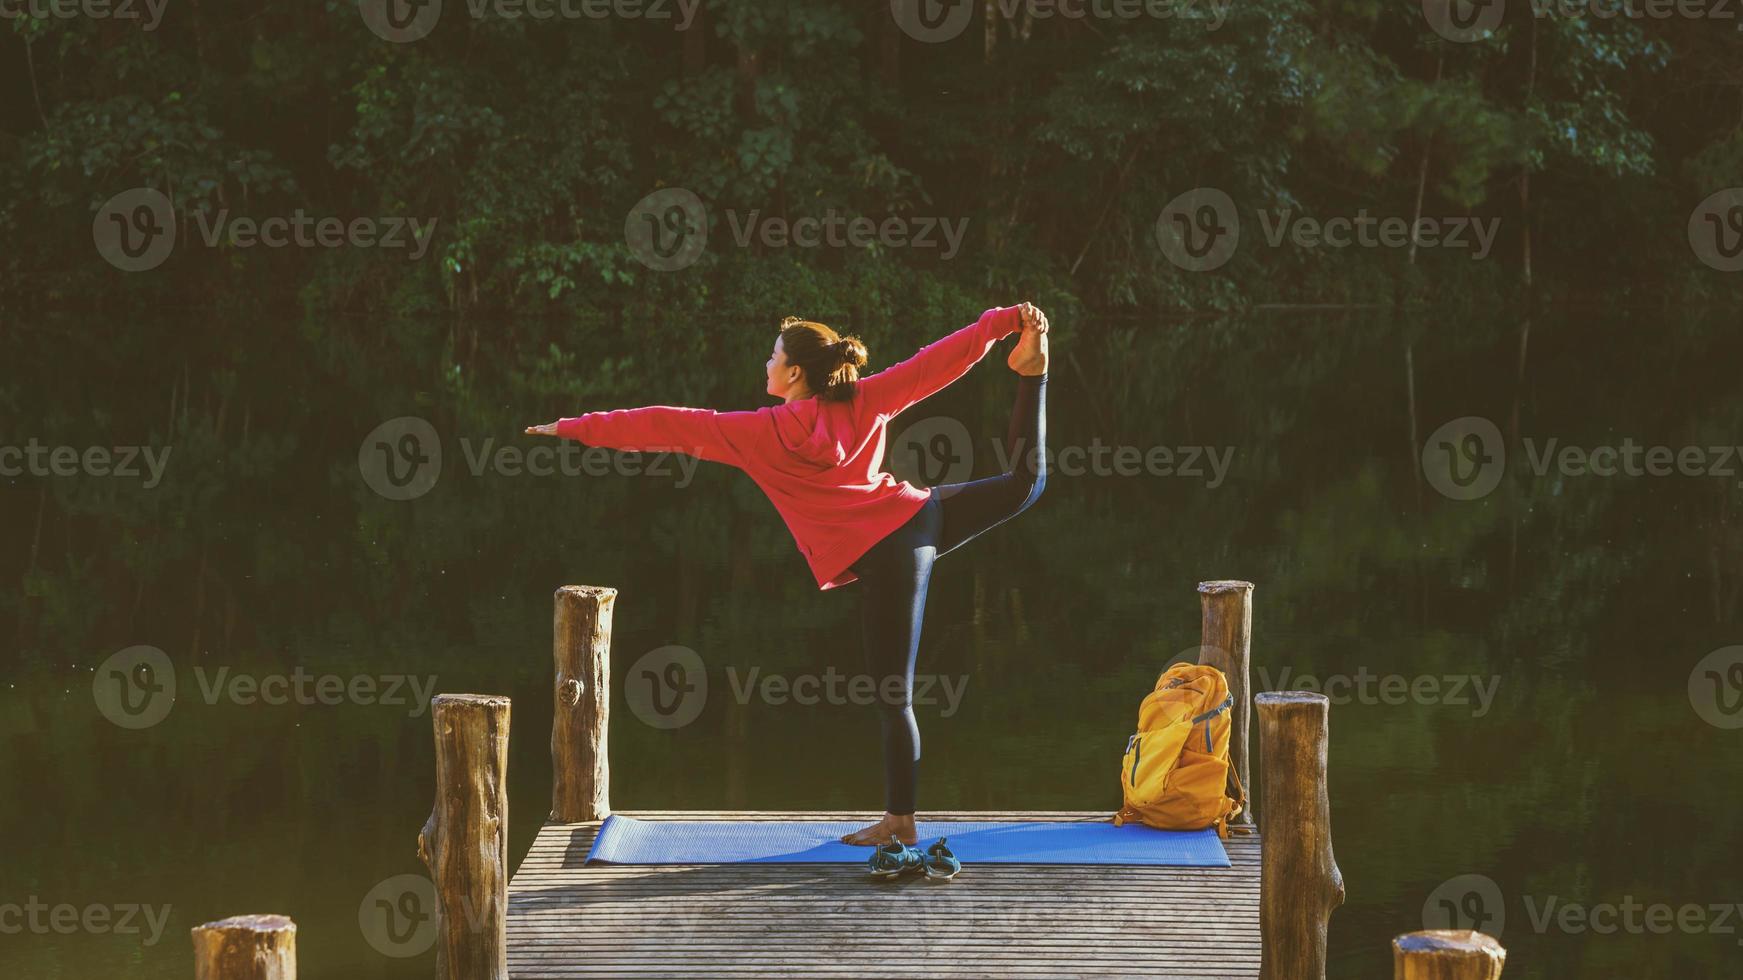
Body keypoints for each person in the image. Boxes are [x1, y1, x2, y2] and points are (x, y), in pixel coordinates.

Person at [525, 302, 1049, 846]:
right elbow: (934, 364)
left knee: (894, 695)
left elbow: (665, 425)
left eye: (773, 355)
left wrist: (574, 428)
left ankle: (900, 823)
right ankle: (1034, 376)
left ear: (794, 372)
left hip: (892, 550)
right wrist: (1001, 322)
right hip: (920, 515)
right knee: (1023, 485)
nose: (767, 363)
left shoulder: (759, 433)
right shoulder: (863, 399)